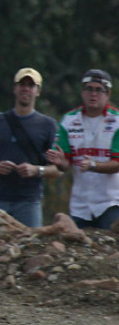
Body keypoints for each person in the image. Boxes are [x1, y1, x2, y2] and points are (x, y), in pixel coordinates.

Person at [0, 68, 61, 227]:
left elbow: (58, 169)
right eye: (22, 84)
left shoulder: (48, 125)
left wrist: (36, 170)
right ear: (15, 88)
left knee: (29, 249)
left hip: (29, 202)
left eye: (31, 85)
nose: (26, 88)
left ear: (38, 91)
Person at [46, 69, 119, 231]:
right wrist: (59, 162)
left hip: (111, 203)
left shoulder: (117, 121)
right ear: (82, 92)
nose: (93, 94)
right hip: (80, 206)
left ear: (108, 94)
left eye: (99, 90)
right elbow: (65, 163)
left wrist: (94, 165)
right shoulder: (69, 120)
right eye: (89, 89)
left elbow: (117, 163)